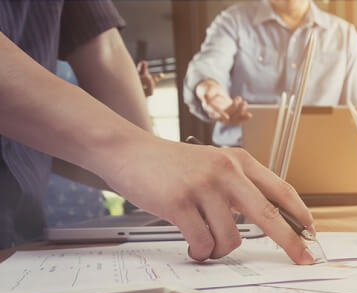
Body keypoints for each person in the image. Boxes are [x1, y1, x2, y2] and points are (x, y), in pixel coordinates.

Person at [0, 0, 315, 264]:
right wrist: (132, 152)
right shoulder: (233, 21)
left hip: (23, 233)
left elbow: (102, 47)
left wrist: (161, 169)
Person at [184, 0, 357, 202]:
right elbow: (208, 67)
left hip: (323, 178)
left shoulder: (343, 34)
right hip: (242, 176)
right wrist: (212, 94)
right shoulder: (234, 21)